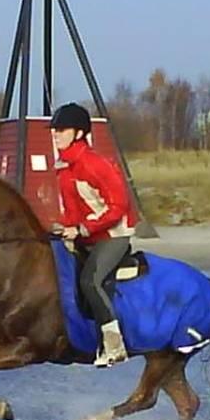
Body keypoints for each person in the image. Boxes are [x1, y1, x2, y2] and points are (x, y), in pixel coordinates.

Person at [50, 102, 137, 367]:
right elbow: (73, 210)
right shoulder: (65, 168)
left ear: (78, 133)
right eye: (54, 130)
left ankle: (114, 345)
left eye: (60, 130)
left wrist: (82, 229)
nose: (54, 134)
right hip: (86, 237)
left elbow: (118, 206)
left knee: (90, 281)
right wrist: (61, 227)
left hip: (113, 236)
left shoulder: (95, 164)